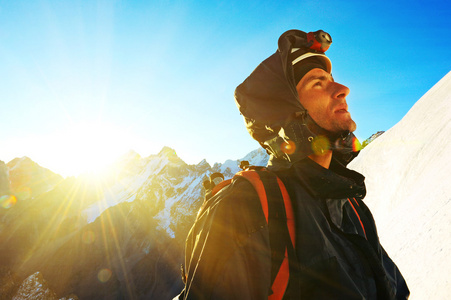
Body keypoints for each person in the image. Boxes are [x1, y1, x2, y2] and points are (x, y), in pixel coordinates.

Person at [174, 29, 409, 299]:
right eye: (317, 83)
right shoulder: (245, 205)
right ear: (288, 114)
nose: (343, 89)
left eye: (331, 80)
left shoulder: (353, 206)